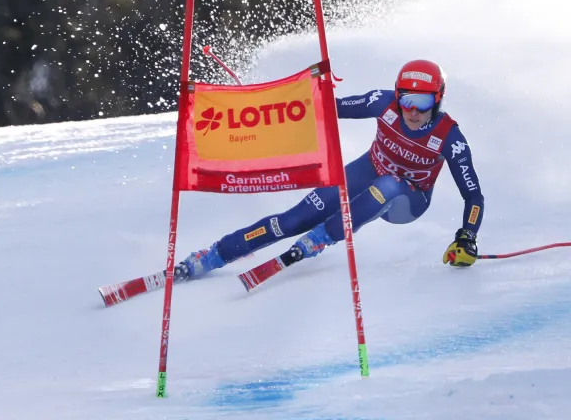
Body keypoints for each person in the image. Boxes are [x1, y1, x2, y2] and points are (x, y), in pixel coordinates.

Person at [173, 59, 485, 281]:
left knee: (389, 185)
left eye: (423, 100)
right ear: (397, 95)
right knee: (292, 219)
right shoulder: (383, 103)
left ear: (438, 99)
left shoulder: (449, 138)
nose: (413, 110)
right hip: (367, 172)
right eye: (406, 98)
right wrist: (269, 107)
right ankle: (215, 255)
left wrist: (467, 236)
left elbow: (473, 196)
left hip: (408, 201)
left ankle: (322, 237)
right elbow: (329, 107)